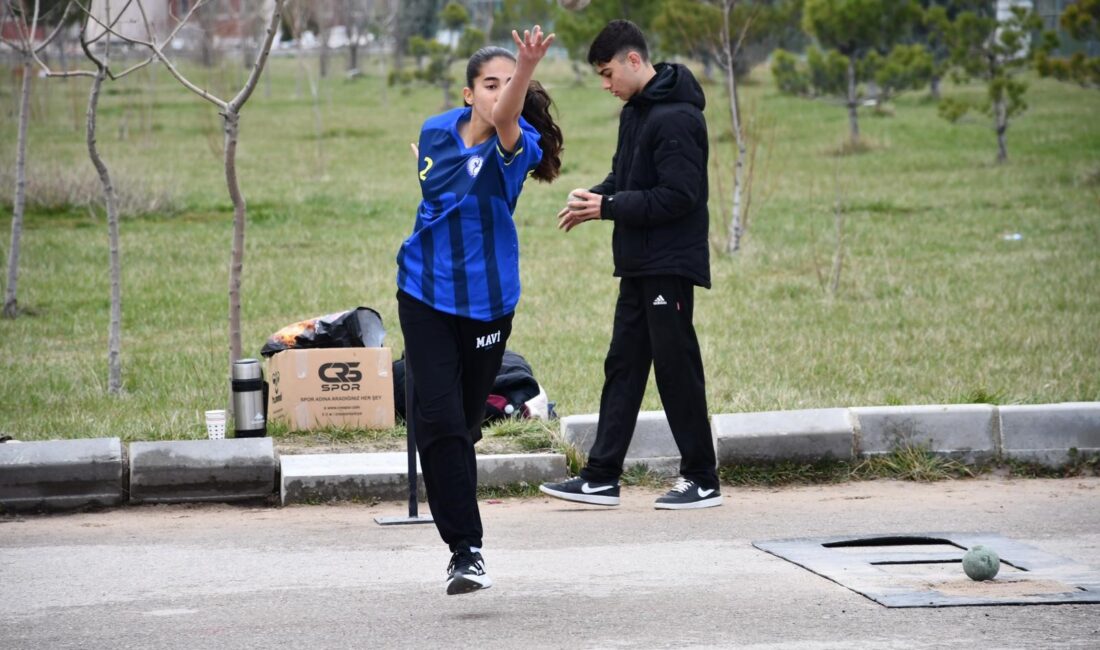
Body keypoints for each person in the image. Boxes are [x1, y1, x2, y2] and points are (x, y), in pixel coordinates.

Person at [397, 26, 560, 595]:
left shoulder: (518, 143)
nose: (501, 92)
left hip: (488, 305)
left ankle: (456, 484)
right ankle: (466, 551)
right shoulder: (435, 130)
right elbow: (434, 189)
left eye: (510, 84)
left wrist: (525, 67)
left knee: (462, 425)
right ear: (469, 93)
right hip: (423, 293)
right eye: (490, 84)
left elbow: (508, 115)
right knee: (439, 421)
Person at [540, 19, 721, 510]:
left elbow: (679, 196)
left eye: (608, 73)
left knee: (676, 368)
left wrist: (609, 207)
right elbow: (625, 177)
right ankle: (601, 477)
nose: (606, 85)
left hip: (669, 265)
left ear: (634, 60)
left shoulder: (678, 117)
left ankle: (702, 478)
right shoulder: (635, 113)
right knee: (623, 365)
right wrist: (595, 198)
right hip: (639, 263)